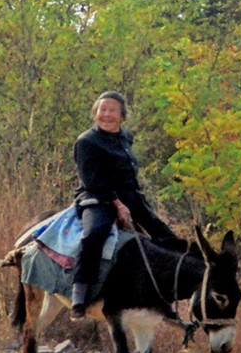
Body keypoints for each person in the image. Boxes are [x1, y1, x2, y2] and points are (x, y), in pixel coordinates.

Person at [70, 90, 178, 318]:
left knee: (165, 235)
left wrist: (139, 205)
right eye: (102, 110)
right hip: (97, 198)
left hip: (130, 198)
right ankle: (79, 293)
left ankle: (168, 293)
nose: (106, 114)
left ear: (122, 116)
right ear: (95, 113)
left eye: (111, 110)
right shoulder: (86, 141)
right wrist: (117, 204)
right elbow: (93, 180)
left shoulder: (125, 137)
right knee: (94, 235)